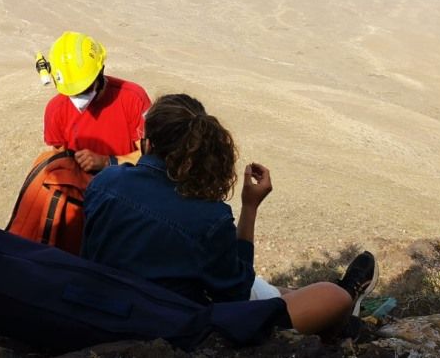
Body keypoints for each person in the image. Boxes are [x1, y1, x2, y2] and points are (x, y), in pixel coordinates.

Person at [82, 93, 378, 336]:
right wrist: (250, 208)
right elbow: (236, 294)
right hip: (175, 328)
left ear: (148, 142)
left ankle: (322, 299)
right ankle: (346, 305)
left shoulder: (104, 183)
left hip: (101, 309)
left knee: (282, 291)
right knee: (330, 296)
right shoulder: (209, 218)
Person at [41, 31, 151, 172]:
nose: (79, 98)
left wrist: (107, 162)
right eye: (72, 92)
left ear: (101, 72)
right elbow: (60, 163)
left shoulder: (134, 98)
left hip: (126, 183)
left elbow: (149, 158)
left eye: (85, 88)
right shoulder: (55, 109)